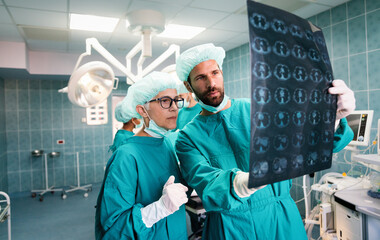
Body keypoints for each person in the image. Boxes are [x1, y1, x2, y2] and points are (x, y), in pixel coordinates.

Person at [174, 43, 355, 239]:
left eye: (215, 72)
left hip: (280, 220)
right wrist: (242, 183)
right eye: (200, 78)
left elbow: (310, 145)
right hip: (230, 227)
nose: (211, 83)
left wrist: (332, 119)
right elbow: (207, 184)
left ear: (221, 72)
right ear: (188, 85)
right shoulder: (187, 137)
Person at [95, 71, 189, 240]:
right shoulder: (126, 156)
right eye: (165, 101)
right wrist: (159, 208)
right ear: (142, 111)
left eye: (176, 100)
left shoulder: (166, 143)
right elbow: (113, 230)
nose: (174, 107)